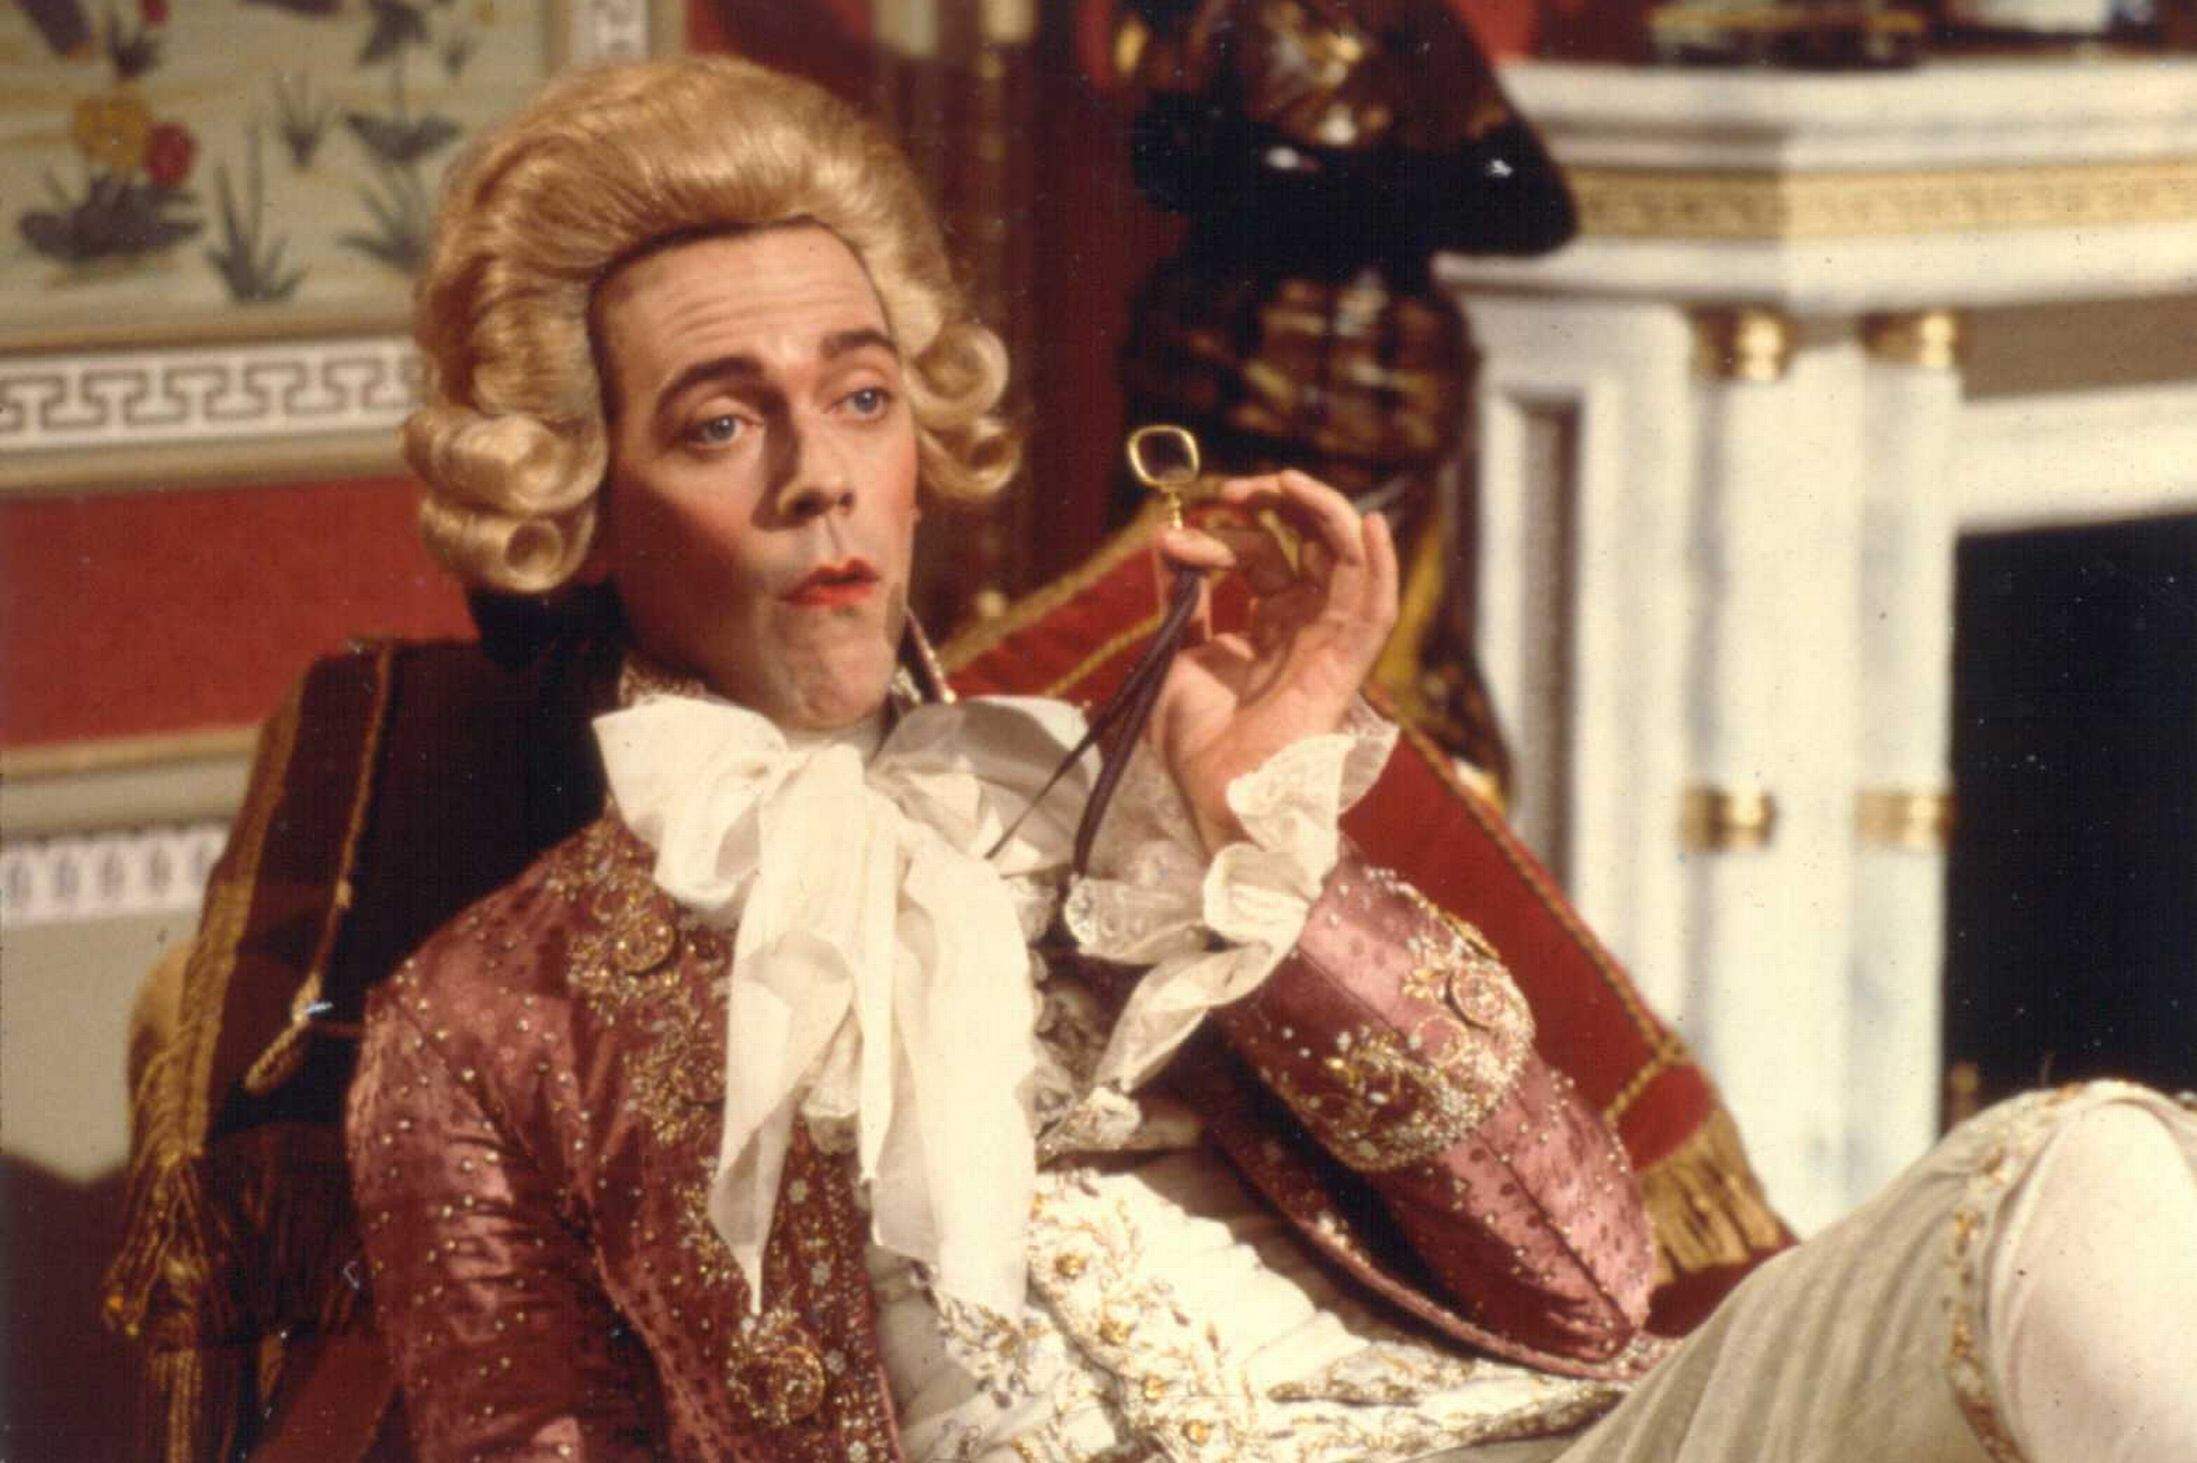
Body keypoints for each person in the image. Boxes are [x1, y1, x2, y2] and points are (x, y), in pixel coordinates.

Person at [349, 53, 2197, 1463]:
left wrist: (1260, 862)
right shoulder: (487, 1018)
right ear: (578, 499)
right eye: (717, 423)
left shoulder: (1125, 787)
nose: (820, 475)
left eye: (859, 395)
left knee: (2076, 1171)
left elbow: (1586, 1287)